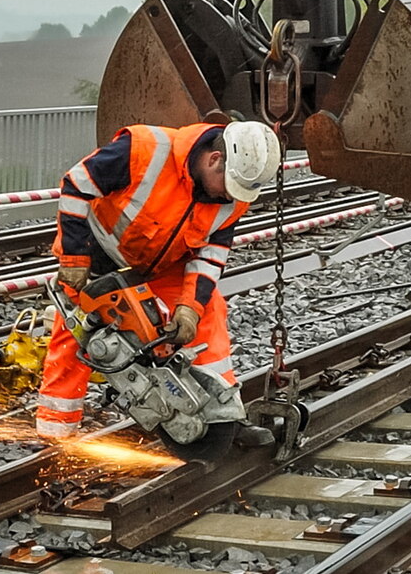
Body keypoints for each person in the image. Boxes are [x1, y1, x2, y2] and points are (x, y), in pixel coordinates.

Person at [36, 120, 279, 445]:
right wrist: (75, 258)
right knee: (75, 333)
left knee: (209, 313)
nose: (228, 195)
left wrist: (190, 310)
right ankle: (56, 434)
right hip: (97, 255)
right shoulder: (143, 150)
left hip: (164, 265)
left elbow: (211, 255)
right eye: (228, 184)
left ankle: (224, 419)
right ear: (214, 159)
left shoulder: (231, 197)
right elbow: (77, 186)